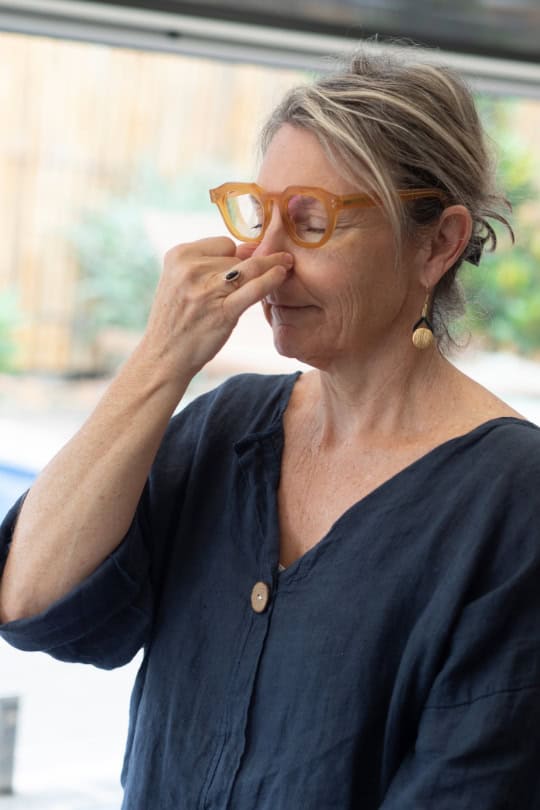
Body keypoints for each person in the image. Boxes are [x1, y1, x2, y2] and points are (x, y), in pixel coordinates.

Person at [1, 47, 539, 809]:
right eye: (261, 214)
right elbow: (33, 603)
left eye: (312, 222)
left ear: (438, 243)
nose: (267, 258)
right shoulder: (226, 426)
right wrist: (161, 360)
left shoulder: (512, 503)